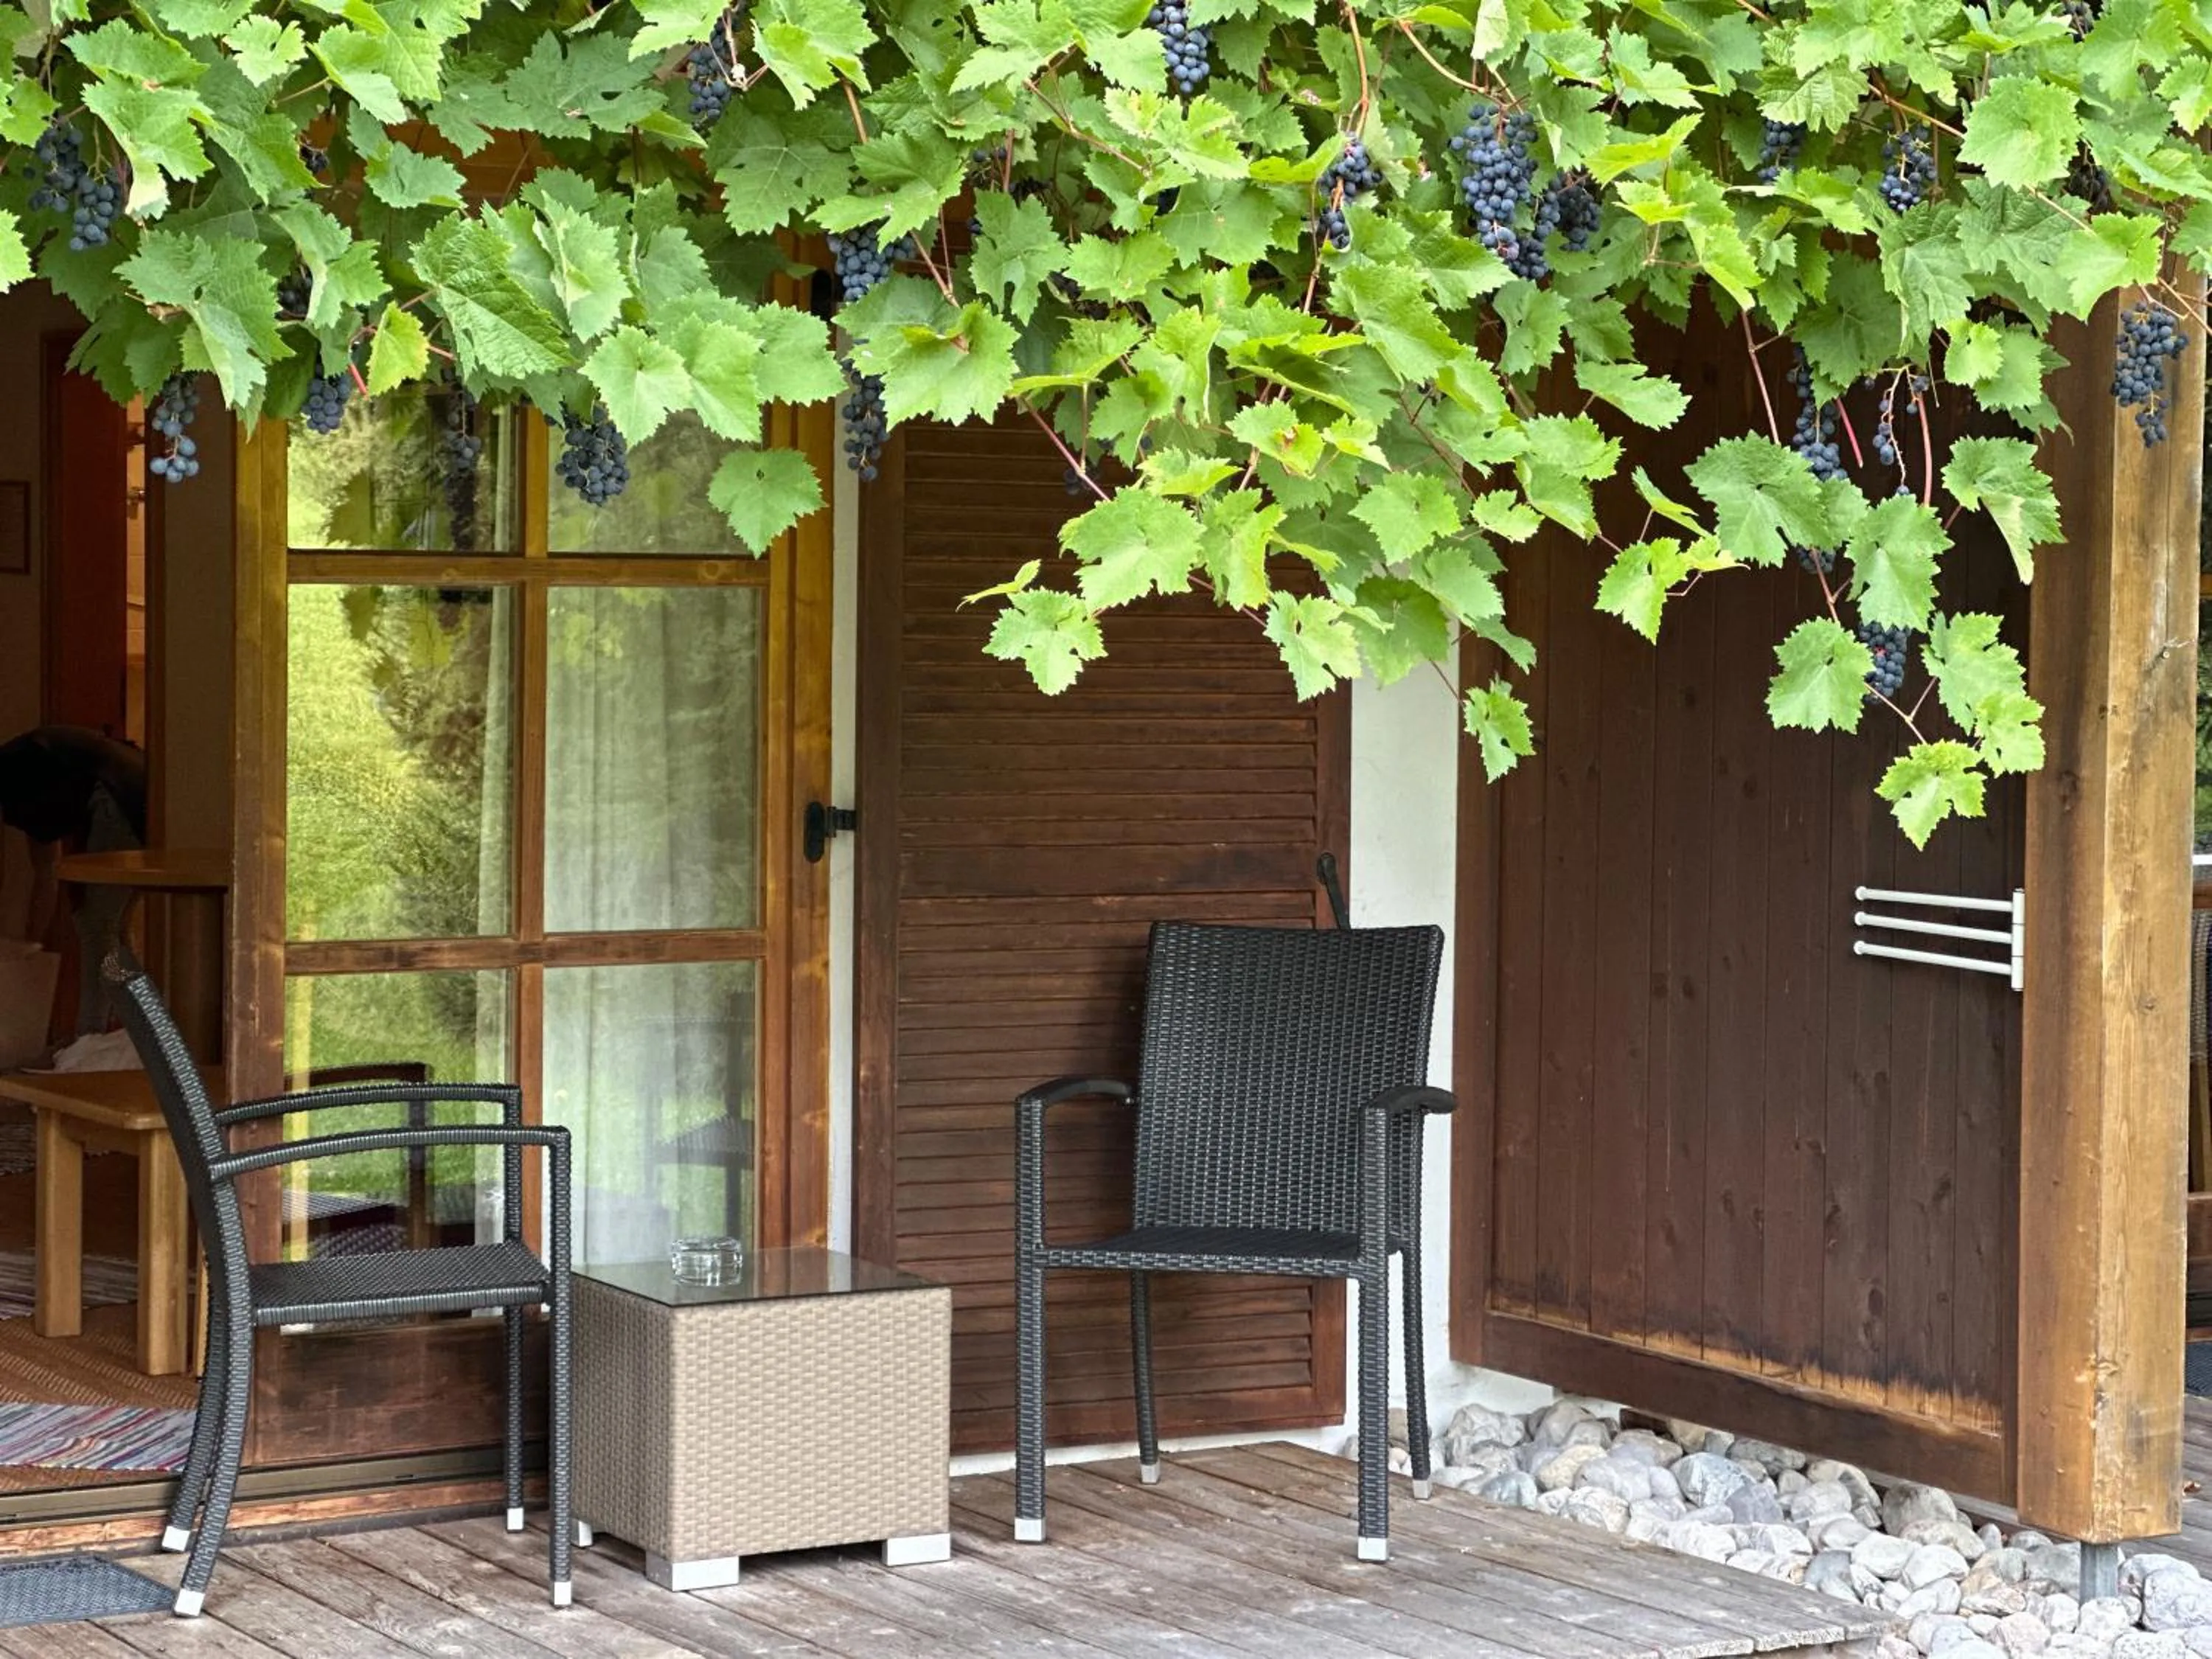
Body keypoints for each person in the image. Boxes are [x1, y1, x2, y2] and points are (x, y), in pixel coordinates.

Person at [0, 726, 148, 1038]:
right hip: (142, 790)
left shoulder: (16, 773)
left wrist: (32, 947)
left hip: (120, 795)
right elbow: (48, 872)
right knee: (112, 924)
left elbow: (45, 872)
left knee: (98, 925)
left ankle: (90, 1037)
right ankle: (127, 1030)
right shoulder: (26, 764)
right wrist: (34, 945)